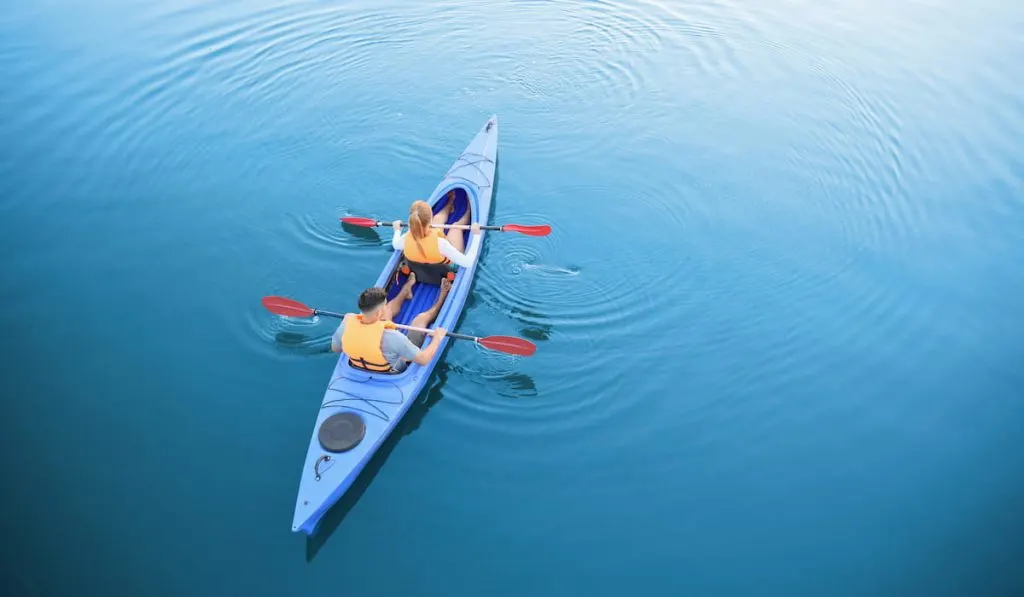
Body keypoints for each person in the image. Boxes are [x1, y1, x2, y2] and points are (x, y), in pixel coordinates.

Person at [330, 286, 447, 373]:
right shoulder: (393, 336)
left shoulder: (347, 322)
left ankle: (405, 291)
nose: (386, 307)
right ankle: (441, 299)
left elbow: (336, 348)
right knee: (420, 320)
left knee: (389, 312)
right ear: (379, 312)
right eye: (384, 306)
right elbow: (425, 360)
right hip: (391, 370)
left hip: (358, 367)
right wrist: (437, 338)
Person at [392, 193, 481, 284]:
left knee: (438, 219)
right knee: (455, 228)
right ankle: (469, 211)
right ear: (430, 220)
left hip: (418, 270)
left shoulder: (405, 238)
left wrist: (397, 230)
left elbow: (395, 245)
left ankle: (449, 205)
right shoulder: (441, 244)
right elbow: (468, 262)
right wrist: (477, 235)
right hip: (445, 272)